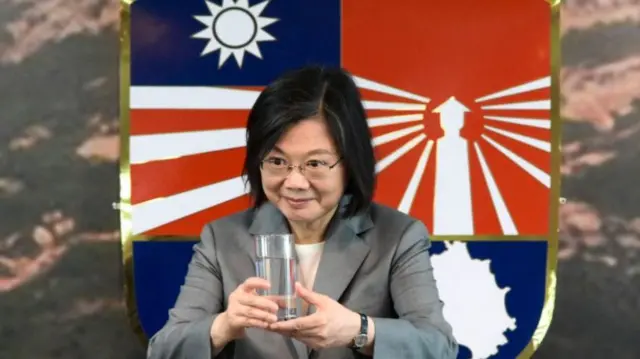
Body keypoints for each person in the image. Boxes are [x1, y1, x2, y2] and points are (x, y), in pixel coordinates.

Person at [147, 65, 458, 359]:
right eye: (277, 161)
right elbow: (163, 349)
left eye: (315, 163)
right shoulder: (222, 238)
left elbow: (438, 346)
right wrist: (223, 326)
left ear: (349, 164)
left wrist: (359, 330)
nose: (294, 182)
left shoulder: (397, 236)